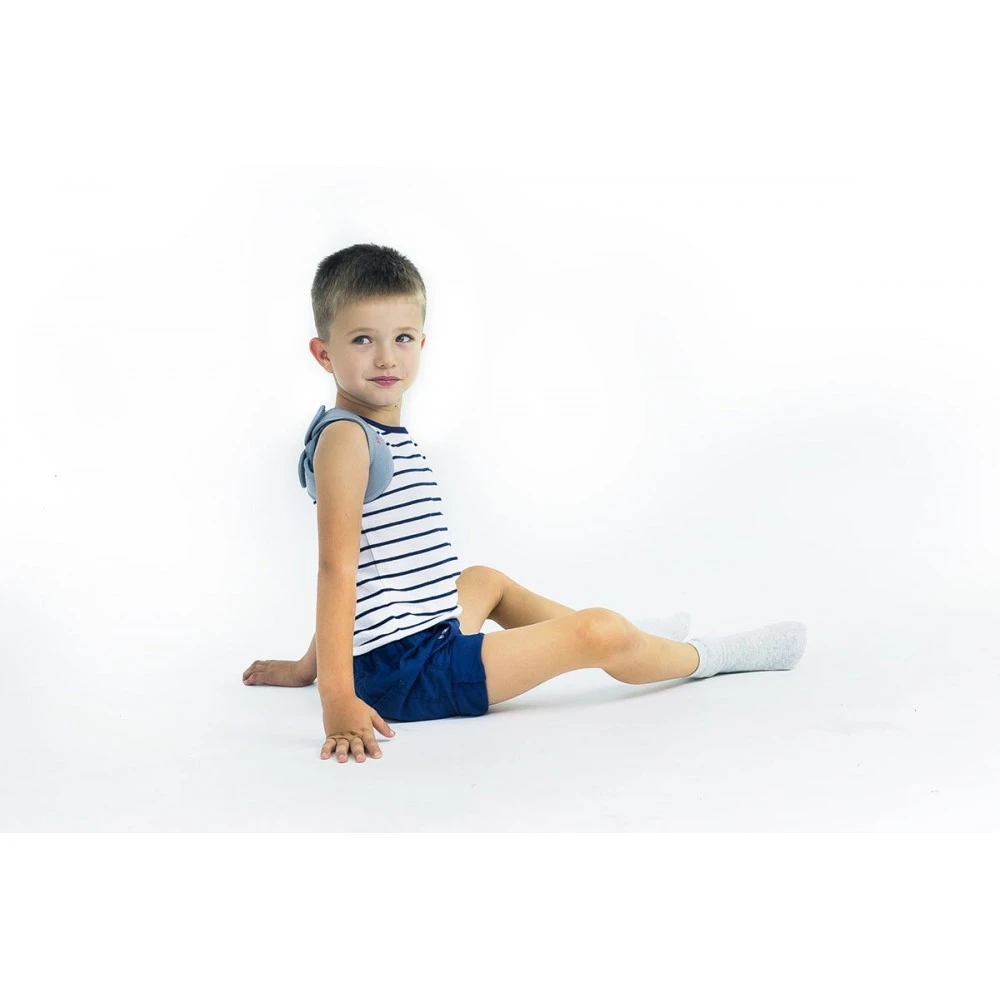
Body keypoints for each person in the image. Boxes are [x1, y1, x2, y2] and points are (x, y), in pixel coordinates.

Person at [242, 243, 807, 763]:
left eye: (403, 338)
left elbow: (365, 573)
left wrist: (305, 667)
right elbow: (337, 570)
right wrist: (336, 696)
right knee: (599, 632)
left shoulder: (374, 431)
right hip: (407, 674)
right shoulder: (347, 440)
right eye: (363, 340)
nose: (387, 357)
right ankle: (708, 657)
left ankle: (643, 641)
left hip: (422, 636)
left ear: (422, 342)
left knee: (484, 580)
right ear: (324, 354)